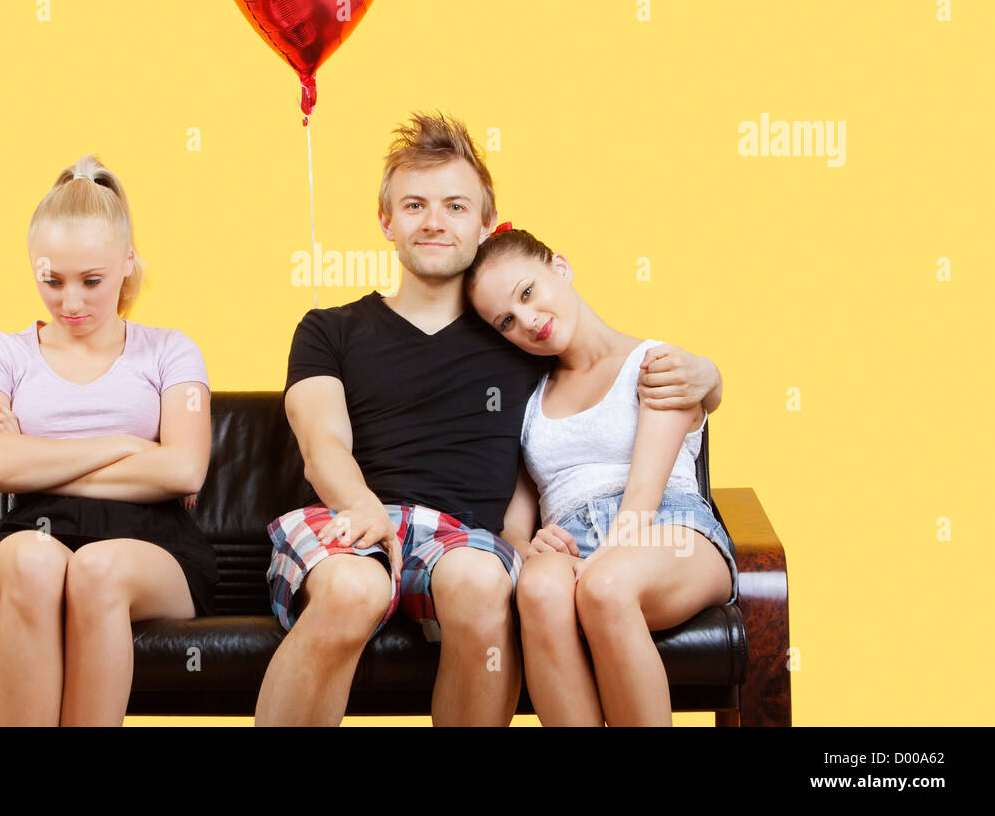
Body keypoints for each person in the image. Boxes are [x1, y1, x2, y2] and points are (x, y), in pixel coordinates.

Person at [255, 112, 724, 726]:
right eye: (414, 204)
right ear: (386, 222)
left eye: (454, 205)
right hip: (352, 514)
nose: (433, 220)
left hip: (465, 541)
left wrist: (709, 378)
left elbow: (601, 385)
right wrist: (365, 508)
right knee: (353, 590)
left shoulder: (518, 338)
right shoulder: (329, 329)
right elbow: (322, 445)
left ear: (483, 223)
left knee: (482, 585)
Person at [0, 154, 217, 726]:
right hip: (34, 531)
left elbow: (183, 472)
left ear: (127, 262)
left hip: (153, 548)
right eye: (51, 281)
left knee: (96, 569)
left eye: (91, 281)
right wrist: (127, 446)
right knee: (38, 563)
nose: (70, 304)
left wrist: (32, 454)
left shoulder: (172, 350)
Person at [463, 225, 739, 726]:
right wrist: (530, 548)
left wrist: (597, 564)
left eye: (528, 292)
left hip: (668, 530)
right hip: (575, 539)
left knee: (605, 587)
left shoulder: (654, 364)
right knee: (539, 589)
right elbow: (515, 525)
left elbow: (642, 498)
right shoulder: (528, 405)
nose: (527, 320)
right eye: (506, 321)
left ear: (560, 268)